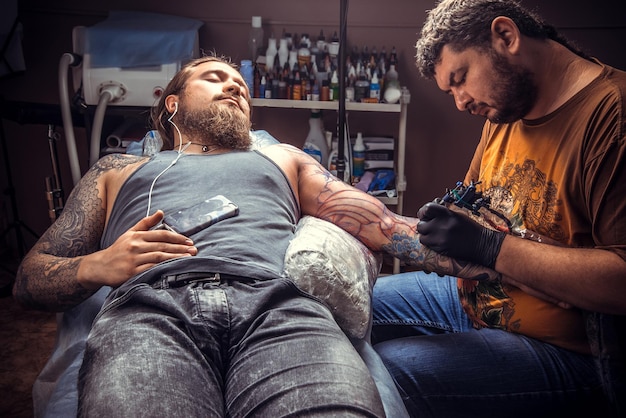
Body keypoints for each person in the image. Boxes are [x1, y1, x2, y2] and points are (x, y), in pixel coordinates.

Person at [13, 54, 492, 417]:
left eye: (240, 84)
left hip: (281, 308)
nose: (234, 87)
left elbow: (387, 229)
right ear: (173, 103)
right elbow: (30, 277)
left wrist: (500, 256)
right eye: (215, 77)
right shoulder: (119, 169)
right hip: (150, 311)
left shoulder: (281, 158)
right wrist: (97, 265)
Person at [371, 0, 626, 416]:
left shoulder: (611, 116)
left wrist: (490, 247)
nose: (460, 102)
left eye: (461, 79)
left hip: (566, 350)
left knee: (389, 371)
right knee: (352, 300)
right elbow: (474, 205)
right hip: (475, 299)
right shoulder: (505, 111)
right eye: (450, 90)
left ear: (505, 37)